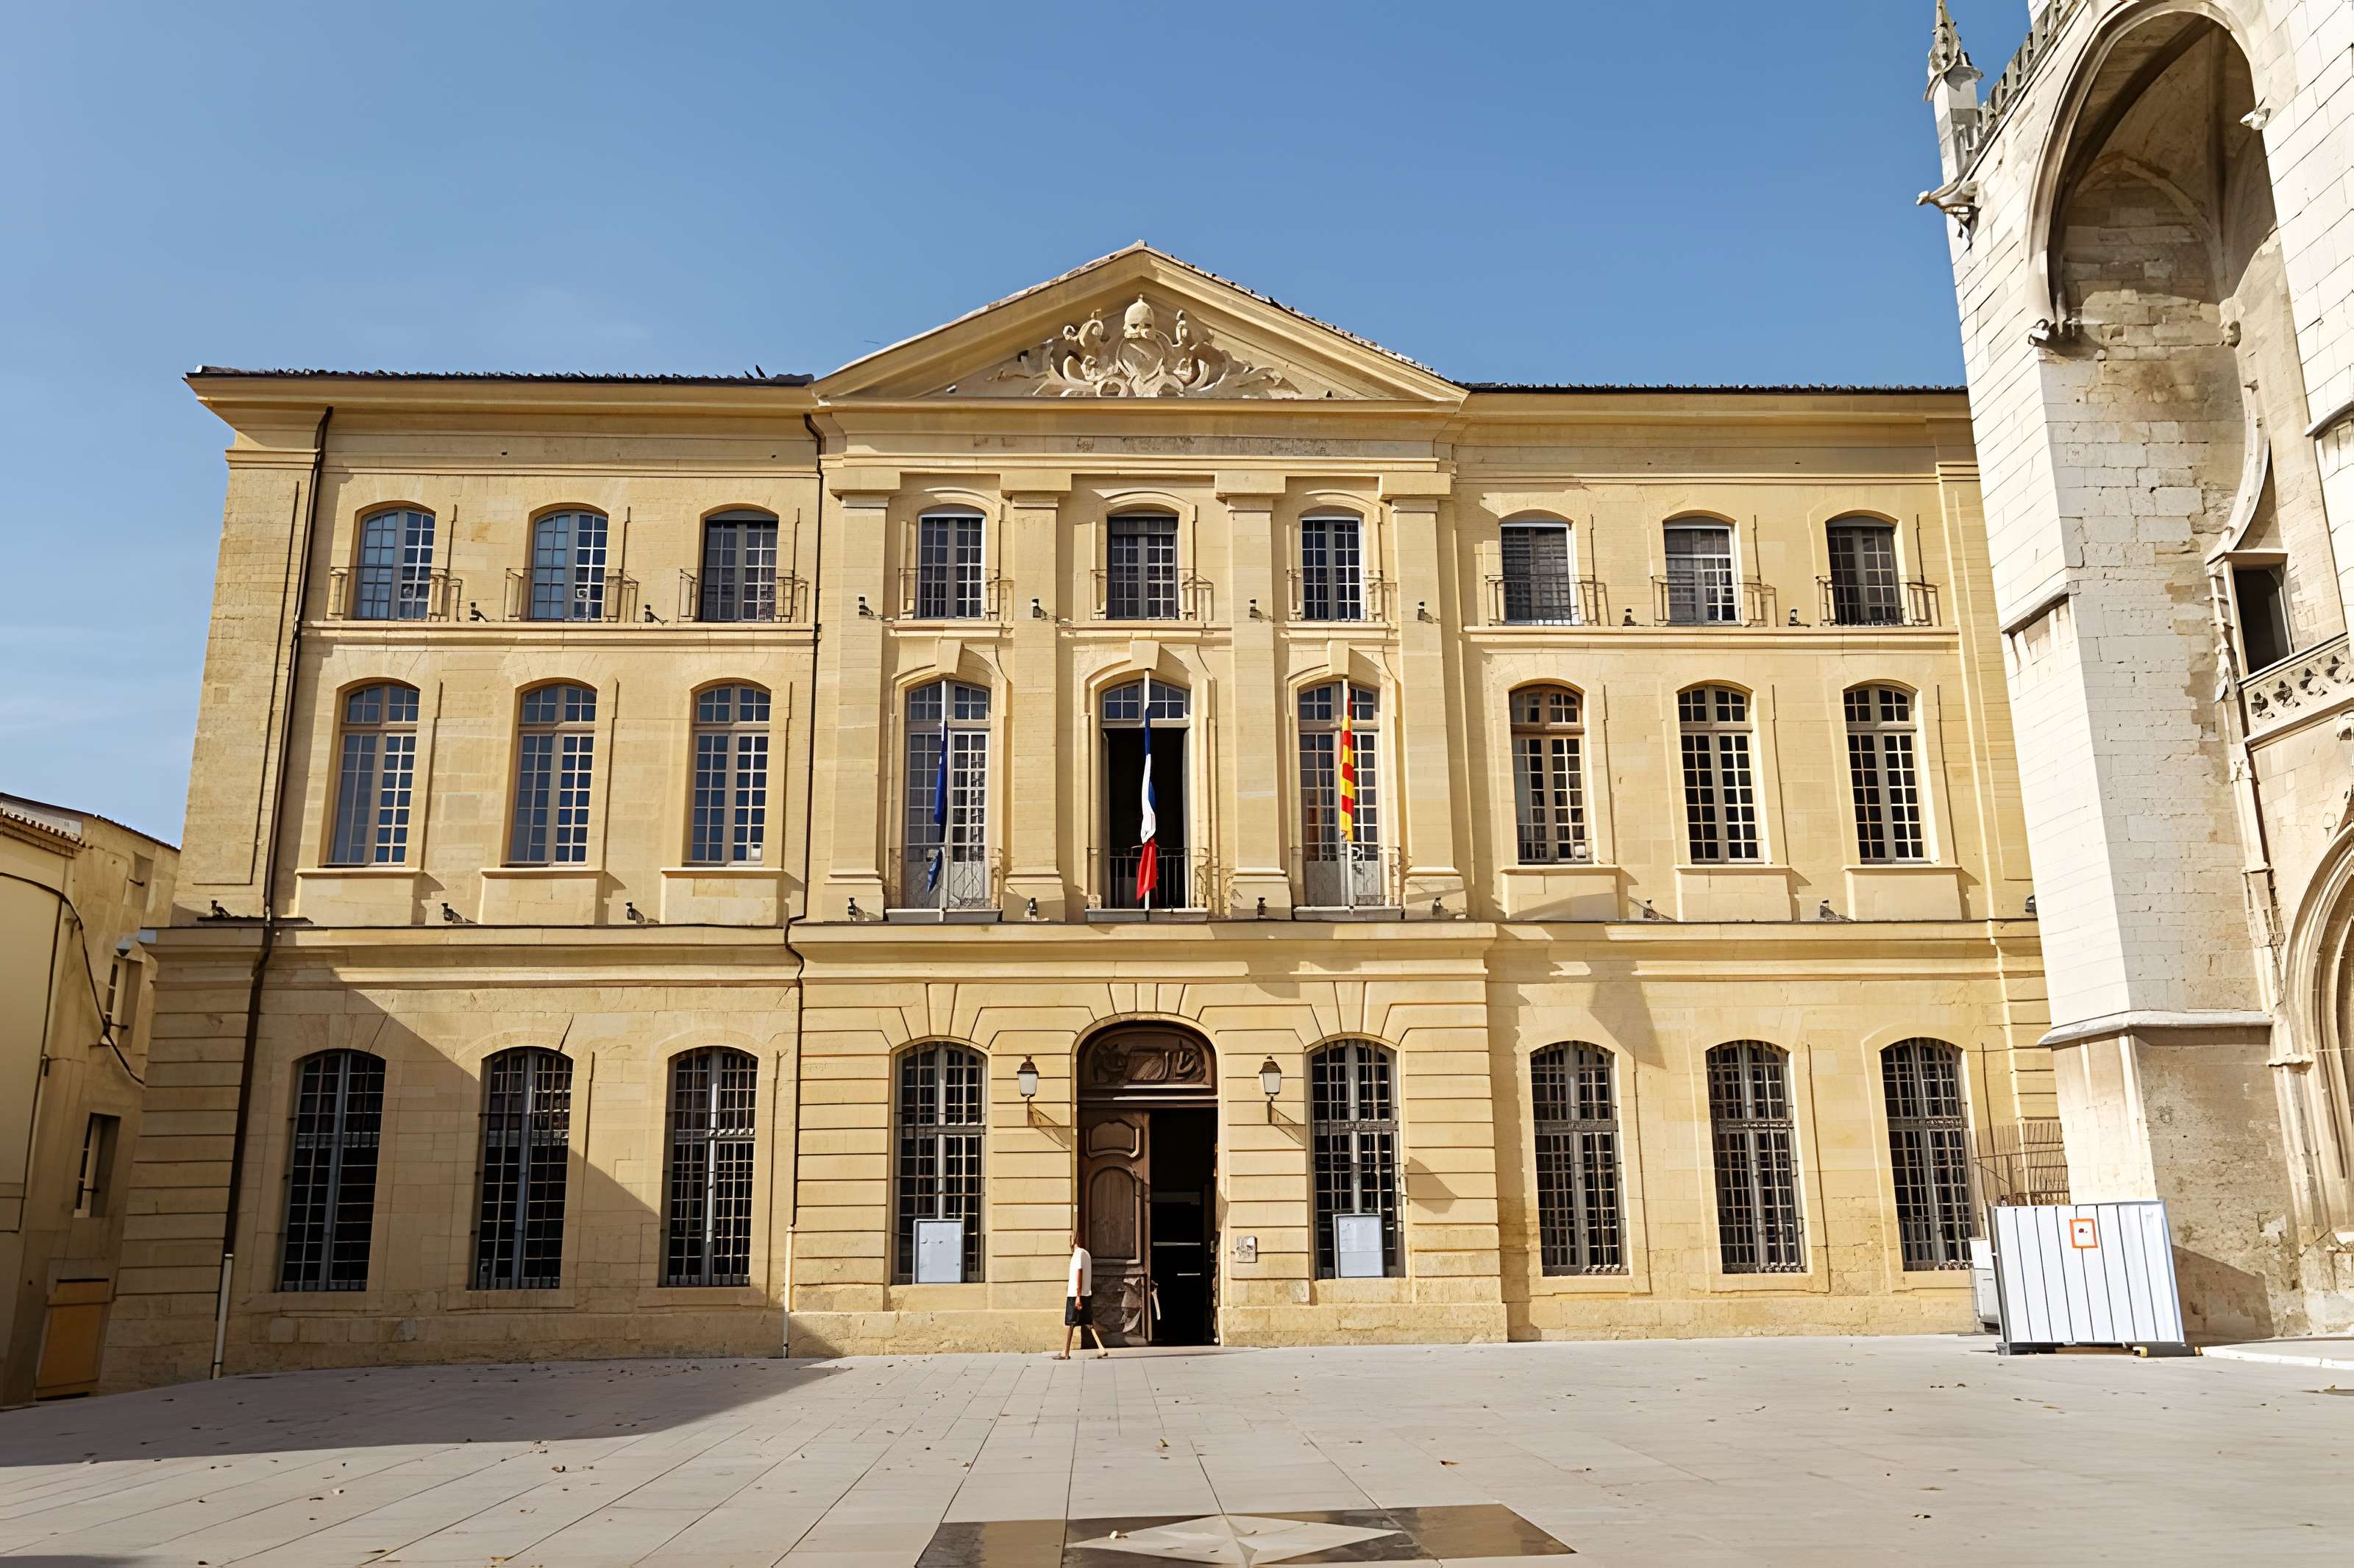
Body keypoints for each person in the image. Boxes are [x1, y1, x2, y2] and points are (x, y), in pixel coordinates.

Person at [1055, 1232, 1110, 1358]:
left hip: (1076, 1294)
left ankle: (1065, 1353)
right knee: (1087, 1323)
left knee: (1071, 1323)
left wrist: (1078, 1296)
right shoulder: (1086, 1254)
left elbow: (1079, 1272)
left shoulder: (1078, 1254)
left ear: (1072, 1240)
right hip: (1085, 1293)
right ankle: (1101, 1348)